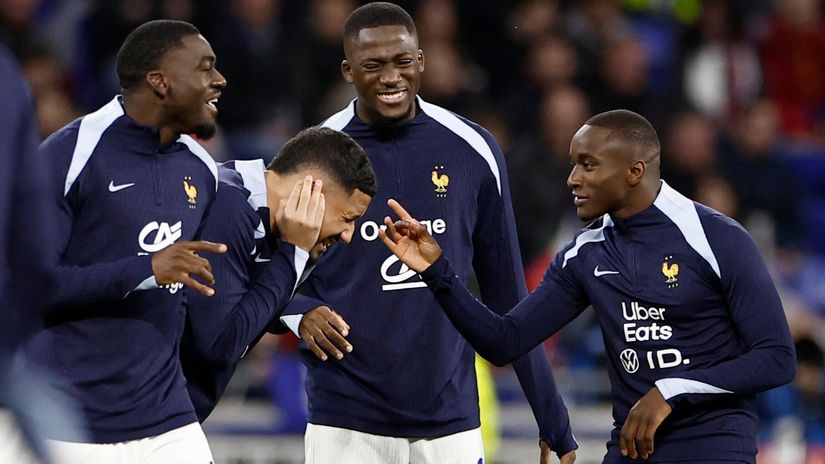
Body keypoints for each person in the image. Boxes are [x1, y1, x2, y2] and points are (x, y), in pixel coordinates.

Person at [380, 109, 797, 463]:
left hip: (713, 445)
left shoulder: (717, 238)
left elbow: (777, 358)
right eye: (573, 164)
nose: (573, 179)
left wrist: (673, 390)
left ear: (635, 171)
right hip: (632, 448)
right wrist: (437, 271)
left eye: (589, 165)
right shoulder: (583, 255)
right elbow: (505, 341)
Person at [279, 3, 577, 463]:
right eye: (372, 65)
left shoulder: (473, 148)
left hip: (450, 422)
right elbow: (270, 271)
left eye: (402, 62)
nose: (390, 78)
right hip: (345, 421)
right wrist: (301, 314)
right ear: (347, 71)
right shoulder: (313, 155)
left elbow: (510, 295)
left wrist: (550, 414)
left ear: (421, 61)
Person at [28, 19, 229, 463]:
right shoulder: (72, 154)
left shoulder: (202, 167)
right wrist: (146, 270)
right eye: (204, 68)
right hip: (71, 418)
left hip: (165, 419)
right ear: (159, 81)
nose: (219, 80)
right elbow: (32, 286)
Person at [182, 126, 376, 422]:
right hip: (132, 420)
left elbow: (243, 296)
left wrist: (294, 310)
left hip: (164, 416)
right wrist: (294, 252)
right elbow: (220, 345)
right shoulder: (228, 206)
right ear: (310, 191)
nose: (348, 235)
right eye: (347, 218)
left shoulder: (257, 214)